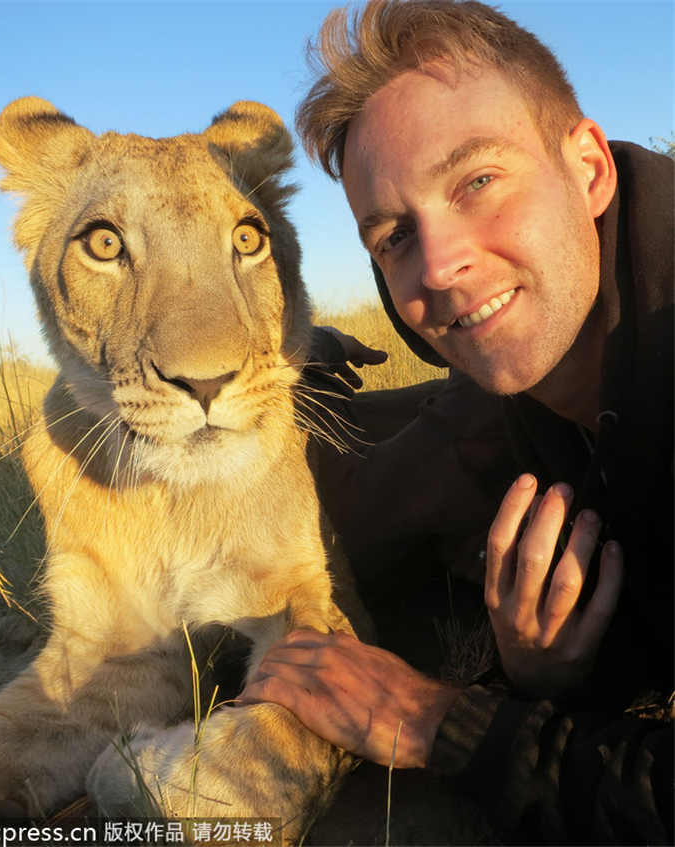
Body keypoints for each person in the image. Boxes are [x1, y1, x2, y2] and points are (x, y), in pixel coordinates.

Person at [240, 1, 674, 842]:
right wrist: (557, 670)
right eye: (395, 236)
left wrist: (440, 720)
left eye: (477, 182)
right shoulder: (537, 368)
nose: (439, 266)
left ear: (588, 167)